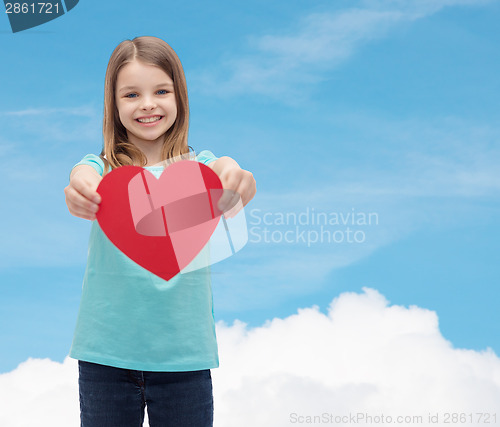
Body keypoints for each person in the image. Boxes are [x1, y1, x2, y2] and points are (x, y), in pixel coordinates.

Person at [64, 36, 256, 427]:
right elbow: (80, 176)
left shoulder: (203, 168)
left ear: (179, 97)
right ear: (114, 105)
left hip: (184, 358)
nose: (147, 103)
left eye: (161, 91)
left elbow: (232, 175)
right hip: (106, 357)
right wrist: (79, 189)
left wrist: (236, 177)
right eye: (131, 94)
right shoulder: (102, 169)